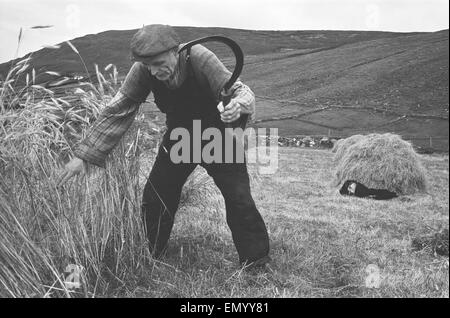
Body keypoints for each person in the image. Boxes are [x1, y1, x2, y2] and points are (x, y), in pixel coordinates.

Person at [57, 24, 270, 269]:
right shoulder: (142, 70)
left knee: (238, 197)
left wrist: (238, 104)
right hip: (180, 137)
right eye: (148, 65)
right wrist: (84, 155)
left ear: (176, 51)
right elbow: (118, 109)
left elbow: (241, 91)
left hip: (217, 135)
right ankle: (150, 253)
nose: (154, 71)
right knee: (156, 197)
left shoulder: (200, 57)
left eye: (159, 63)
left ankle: (256, 261)